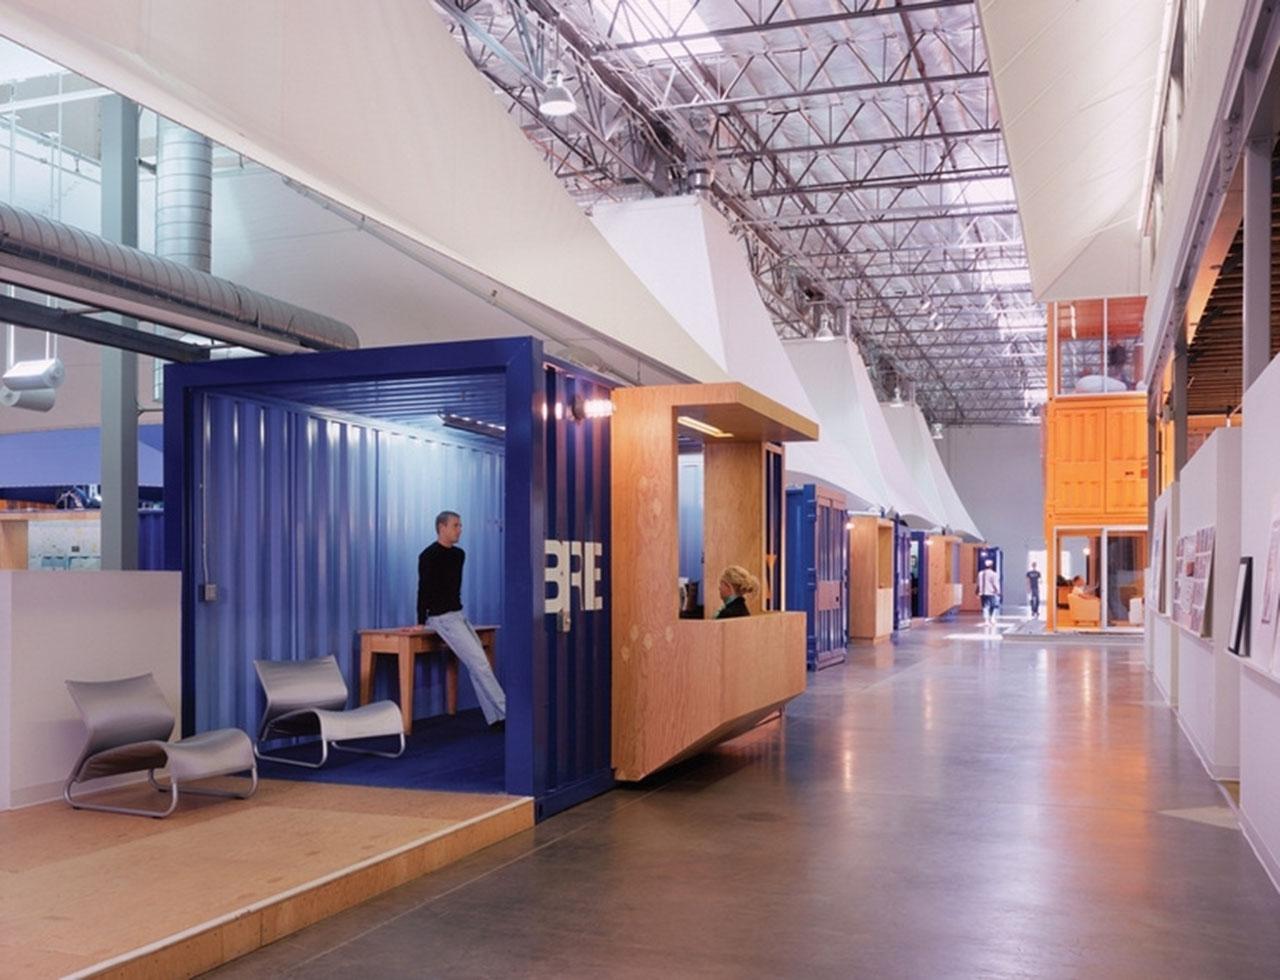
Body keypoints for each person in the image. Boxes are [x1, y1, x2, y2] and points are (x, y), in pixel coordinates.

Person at [417, 510, 506, 728]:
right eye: (455, 525)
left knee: (478, 665)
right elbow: (423, 590)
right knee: (480, 664)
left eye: (460, 525)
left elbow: (451, 590)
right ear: (442, 528)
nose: (460, 530)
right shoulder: (428, 555)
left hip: (458, 615)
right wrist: (420, 621)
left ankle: (496, 718)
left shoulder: (459, 555)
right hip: (441, 618)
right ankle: (508, 713)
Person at [978, 559, 1000, 628]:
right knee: (994, 606)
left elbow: (979, 583)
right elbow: (995, 584)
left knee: (985, 607)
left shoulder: (980, 573)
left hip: (983, 592)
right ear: (992, 566)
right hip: (992, 592)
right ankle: (992, 618)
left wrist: (978, 592)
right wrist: (998, 591)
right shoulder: (994, 574)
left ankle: (986, 621)